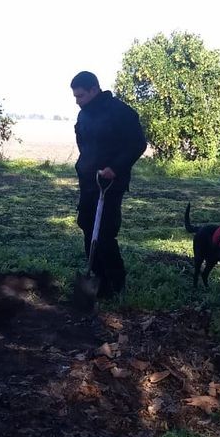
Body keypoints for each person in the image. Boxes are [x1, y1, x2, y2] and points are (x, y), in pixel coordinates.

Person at [70, 71, 148, 298]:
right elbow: (83, 142)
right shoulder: (84, 115)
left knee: (104, 234)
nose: (77, 101)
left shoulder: (121, 112)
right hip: (88, 182)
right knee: (86, 226)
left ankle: (116, 282)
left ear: (94, 90)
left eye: (81, 95)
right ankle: (96, 279)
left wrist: (115, 167)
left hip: (110, 185)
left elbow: (138, 144)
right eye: (75, 97)